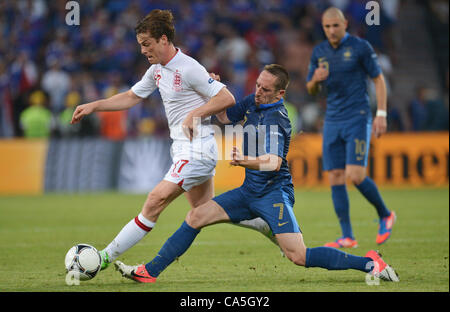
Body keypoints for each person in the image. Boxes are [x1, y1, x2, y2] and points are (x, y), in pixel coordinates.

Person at [114, 64, 399, 283]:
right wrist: (208, 90)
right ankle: (148, 272)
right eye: (257, 85)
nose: (258, 91)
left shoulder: (277, 119)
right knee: (195, 216)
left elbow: (274, 163)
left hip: (273, 194)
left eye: (265, 89)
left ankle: (370, 263)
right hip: (249, 191)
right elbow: (225, 117)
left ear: (280, 93)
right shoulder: (254, 101)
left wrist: (245, 160)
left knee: (298, 256)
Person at [70, 9, 275, 272]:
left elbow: (227, 98)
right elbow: (132, 96)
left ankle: (102, 257)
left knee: (155, 200)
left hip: (198, 149)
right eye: (140, 45)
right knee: (205, 211)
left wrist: (195, 114)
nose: (143, 51)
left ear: (163, 40)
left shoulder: (189, 68)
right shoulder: (156, 70)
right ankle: (263, 223)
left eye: (147, 44)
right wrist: (94, 105)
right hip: (182, 149)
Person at [305, 7, 396, 248]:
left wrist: (381, 114)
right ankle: (347, 236)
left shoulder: (360, 47)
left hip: (357, 116)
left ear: (345, 23)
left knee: (355, 175)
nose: (331, 30)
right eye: (327, 27)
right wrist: (315, 80)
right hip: (332, 119)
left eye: (336, 25)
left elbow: (378, 79)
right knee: (335, 176)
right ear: (323, 28)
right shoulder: (319, 52)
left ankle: (385, 214)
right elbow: (310, 89)